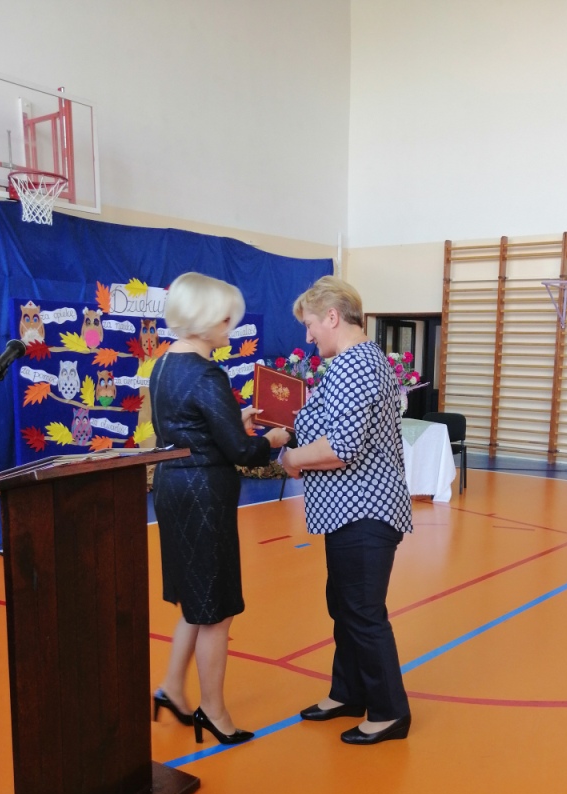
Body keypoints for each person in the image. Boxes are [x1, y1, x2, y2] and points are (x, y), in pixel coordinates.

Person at [149, 272, 291, 744]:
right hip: (203, 495)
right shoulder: (207, 373)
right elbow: (241, 450)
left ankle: (172, 687)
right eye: (227, 318)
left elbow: (186, 425)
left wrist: (233, 418)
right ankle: (213, 711)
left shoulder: (164, 365)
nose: (232, 326)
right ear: (205, 319)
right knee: (217, 610)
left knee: (196, 599)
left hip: (171, 487)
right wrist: (271, 439)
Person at [281, 276, 413, 745]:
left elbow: (340, 447)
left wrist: (292, 459)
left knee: (362, 612)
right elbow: (325, 426)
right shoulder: (355, 362)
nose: (308, 335)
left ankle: (389, 711)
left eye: (311, 324)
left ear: (333, 317)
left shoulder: (355, 365)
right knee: (345, 607)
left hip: (364, 513)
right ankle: (349, 691)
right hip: (352, 513)